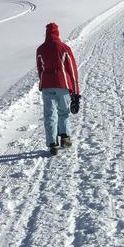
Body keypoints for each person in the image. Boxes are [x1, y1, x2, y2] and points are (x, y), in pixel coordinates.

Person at [36, 23, 81, 155]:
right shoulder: (64, 48)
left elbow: (40, 69)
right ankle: (65, 138)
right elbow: (72, 71)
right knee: (63, 112)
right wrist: (76, 93)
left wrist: (43, 82)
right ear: (57, 33)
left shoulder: (40, 49)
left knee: (49, 114)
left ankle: (52, 144)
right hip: (63, 85)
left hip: (47, 86)